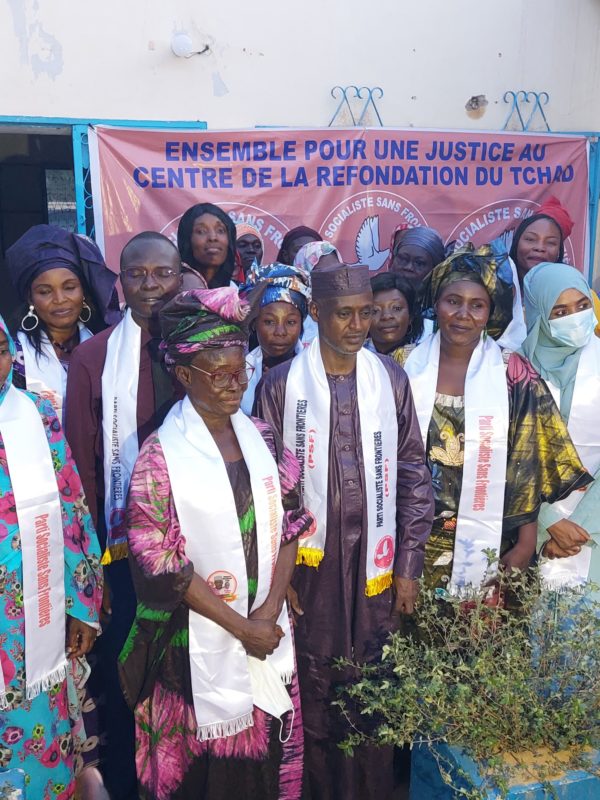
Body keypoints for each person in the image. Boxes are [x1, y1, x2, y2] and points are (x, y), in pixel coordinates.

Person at [119, 286, 312, 800]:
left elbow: (293, 523)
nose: (235, 383)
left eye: (240, 371)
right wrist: (240, 626)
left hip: (265, 625)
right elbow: (161, 563)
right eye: (219, 373)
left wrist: (268, 610)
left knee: (267, 761)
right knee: (207, 775)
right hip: (194, 643)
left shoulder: (263, 438)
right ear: (183, 376)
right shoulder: (160, 457)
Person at [254, 263, 434, 800]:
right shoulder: (280, 385)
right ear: (317, 314)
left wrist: (408, 566)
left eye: (367, 312)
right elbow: (266, 493)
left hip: (376, 570)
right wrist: (276, 574)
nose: (359, 325)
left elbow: (413, 474)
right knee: (316, 685)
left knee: (374, 685)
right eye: (345, 314)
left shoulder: (390, 379)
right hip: (311, 569)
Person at [64, 231, 183, 800]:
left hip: (192, 546)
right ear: (120, 280)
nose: (151, 285)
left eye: (163, 273)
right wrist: (92, 574)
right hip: (120, 551)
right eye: (138, 274)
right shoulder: (94, 358)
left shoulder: (200, 346)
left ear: (181, 276)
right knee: (128, 673)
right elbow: (83, 469)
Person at [403, 244, 591, 593]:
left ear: (492, 312)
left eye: (477, 305)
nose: (463, 314)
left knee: (481, 638)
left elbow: (527, 459)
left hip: (493, 534)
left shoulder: (513, 372)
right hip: (412, 539)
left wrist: (525, 543)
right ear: (436, 304)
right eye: (452, 301)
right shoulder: (403, 365)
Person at [0, 314, 102, 798]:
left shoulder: (36, 413)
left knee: (39, 741)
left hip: (32, 621)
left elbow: (72, 508)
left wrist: (81, 604)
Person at [518, 262, 600, 590]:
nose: (575, 317)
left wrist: (580, 528)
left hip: (591, 533)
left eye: (582, 306)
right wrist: (548, 523)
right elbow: (508, 461)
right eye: (560, 311)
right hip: (526, 533)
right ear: (539, 316)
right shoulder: (512, 371)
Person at [5, 224, 120, 421]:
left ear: (83, 291)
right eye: (45, 292)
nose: (59, 299)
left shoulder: (107, 344)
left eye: (69, 287)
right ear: (31, 298)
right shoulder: (15, 355)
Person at [240, 262, 311, 415]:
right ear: (254, 324)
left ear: (301, 324)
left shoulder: (316, 369)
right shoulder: (239, 374)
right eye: (269, 322)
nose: (280, 332)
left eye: (290, 322)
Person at [508, 196, 573, 286]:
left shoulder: (570, 290)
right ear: (516, 243)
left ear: (559, 251)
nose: (539, 248)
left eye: (550, 242)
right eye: (530, 239)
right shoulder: (494, 285)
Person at [366, 272, 424, 366]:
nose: (386, 316)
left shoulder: (423, 360)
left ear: (411, 316)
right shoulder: (351, 355)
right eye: (375, 310)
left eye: (397, 308)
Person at [177, 202, 237, 288]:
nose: (213, 237)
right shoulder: (174, 289)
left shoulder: (235, 291)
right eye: (201, 231)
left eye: (220, 230)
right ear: (187, 239)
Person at [293, 241, 342, 344]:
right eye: (322, 273)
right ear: (304, 273)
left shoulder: (348, 310)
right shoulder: (292, 315)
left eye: (335, 270)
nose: (331, 278)